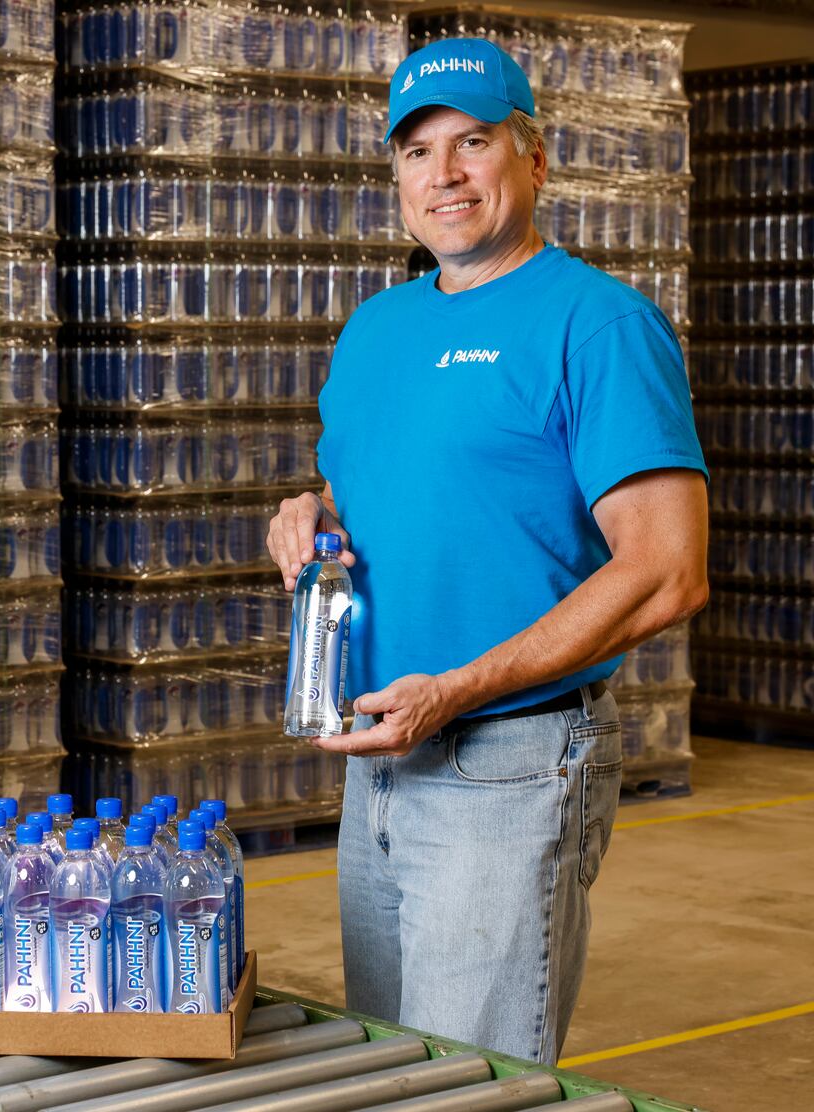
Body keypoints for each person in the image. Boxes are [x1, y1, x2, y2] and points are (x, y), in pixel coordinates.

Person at [266, 39, 708, 1064]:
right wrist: (307, 517)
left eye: (473, 141)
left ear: (535, 156)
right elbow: (374, 493)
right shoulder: (375, 330)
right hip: (375, 758)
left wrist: (457, 688)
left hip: (503, 760)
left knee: (467, 1079)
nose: (445, 175)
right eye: (417, 152)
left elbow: (666, 567)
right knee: (390, 1064)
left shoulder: (595, 324)